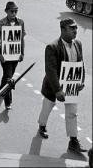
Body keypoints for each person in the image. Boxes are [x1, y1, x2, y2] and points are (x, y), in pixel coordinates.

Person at [37, 18, 87, 153]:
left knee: (72, 113)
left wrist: (81, 80)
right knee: (47, 107)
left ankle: (73, 141)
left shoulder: (78, 44)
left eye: (76, 28)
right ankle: (42, 125)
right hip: (54, 86)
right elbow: (50, 70)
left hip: (71, 86)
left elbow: (80, 63)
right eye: (72, 28)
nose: (75, 31)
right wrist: (58, 90)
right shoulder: (52, 47)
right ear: (63, 29)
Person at [0, 1, 25, 110]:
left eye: (16, 11)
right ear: (6, 11)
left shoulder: (21, 22)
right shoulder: (0, 23)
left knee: (7, 75)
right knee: (9, 78)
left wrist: (22, 53)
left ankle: (0, 92)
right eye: (12, 11)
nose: (14, 13)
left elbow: (21, 39)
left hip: (15, 55)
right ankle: (8, 102)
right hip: (5, 55)